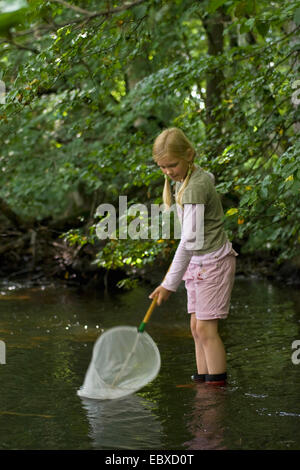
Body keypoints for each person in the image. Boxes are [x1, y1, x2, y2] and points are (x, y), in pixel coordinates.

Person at [149, 127, 238, 386]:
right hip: (198, 263)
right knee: (196, 329)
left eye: (172, 165)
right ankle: (203, 383)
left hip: (213, 262)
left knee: (206, 330)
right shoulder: (188, 180)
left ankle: (216, 389)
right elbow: (207, 175)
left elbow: (189, 241)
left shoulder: (195, 188)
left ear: (189, 154)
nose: (168, 172)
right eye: (162, 167)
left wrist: (168, 284)